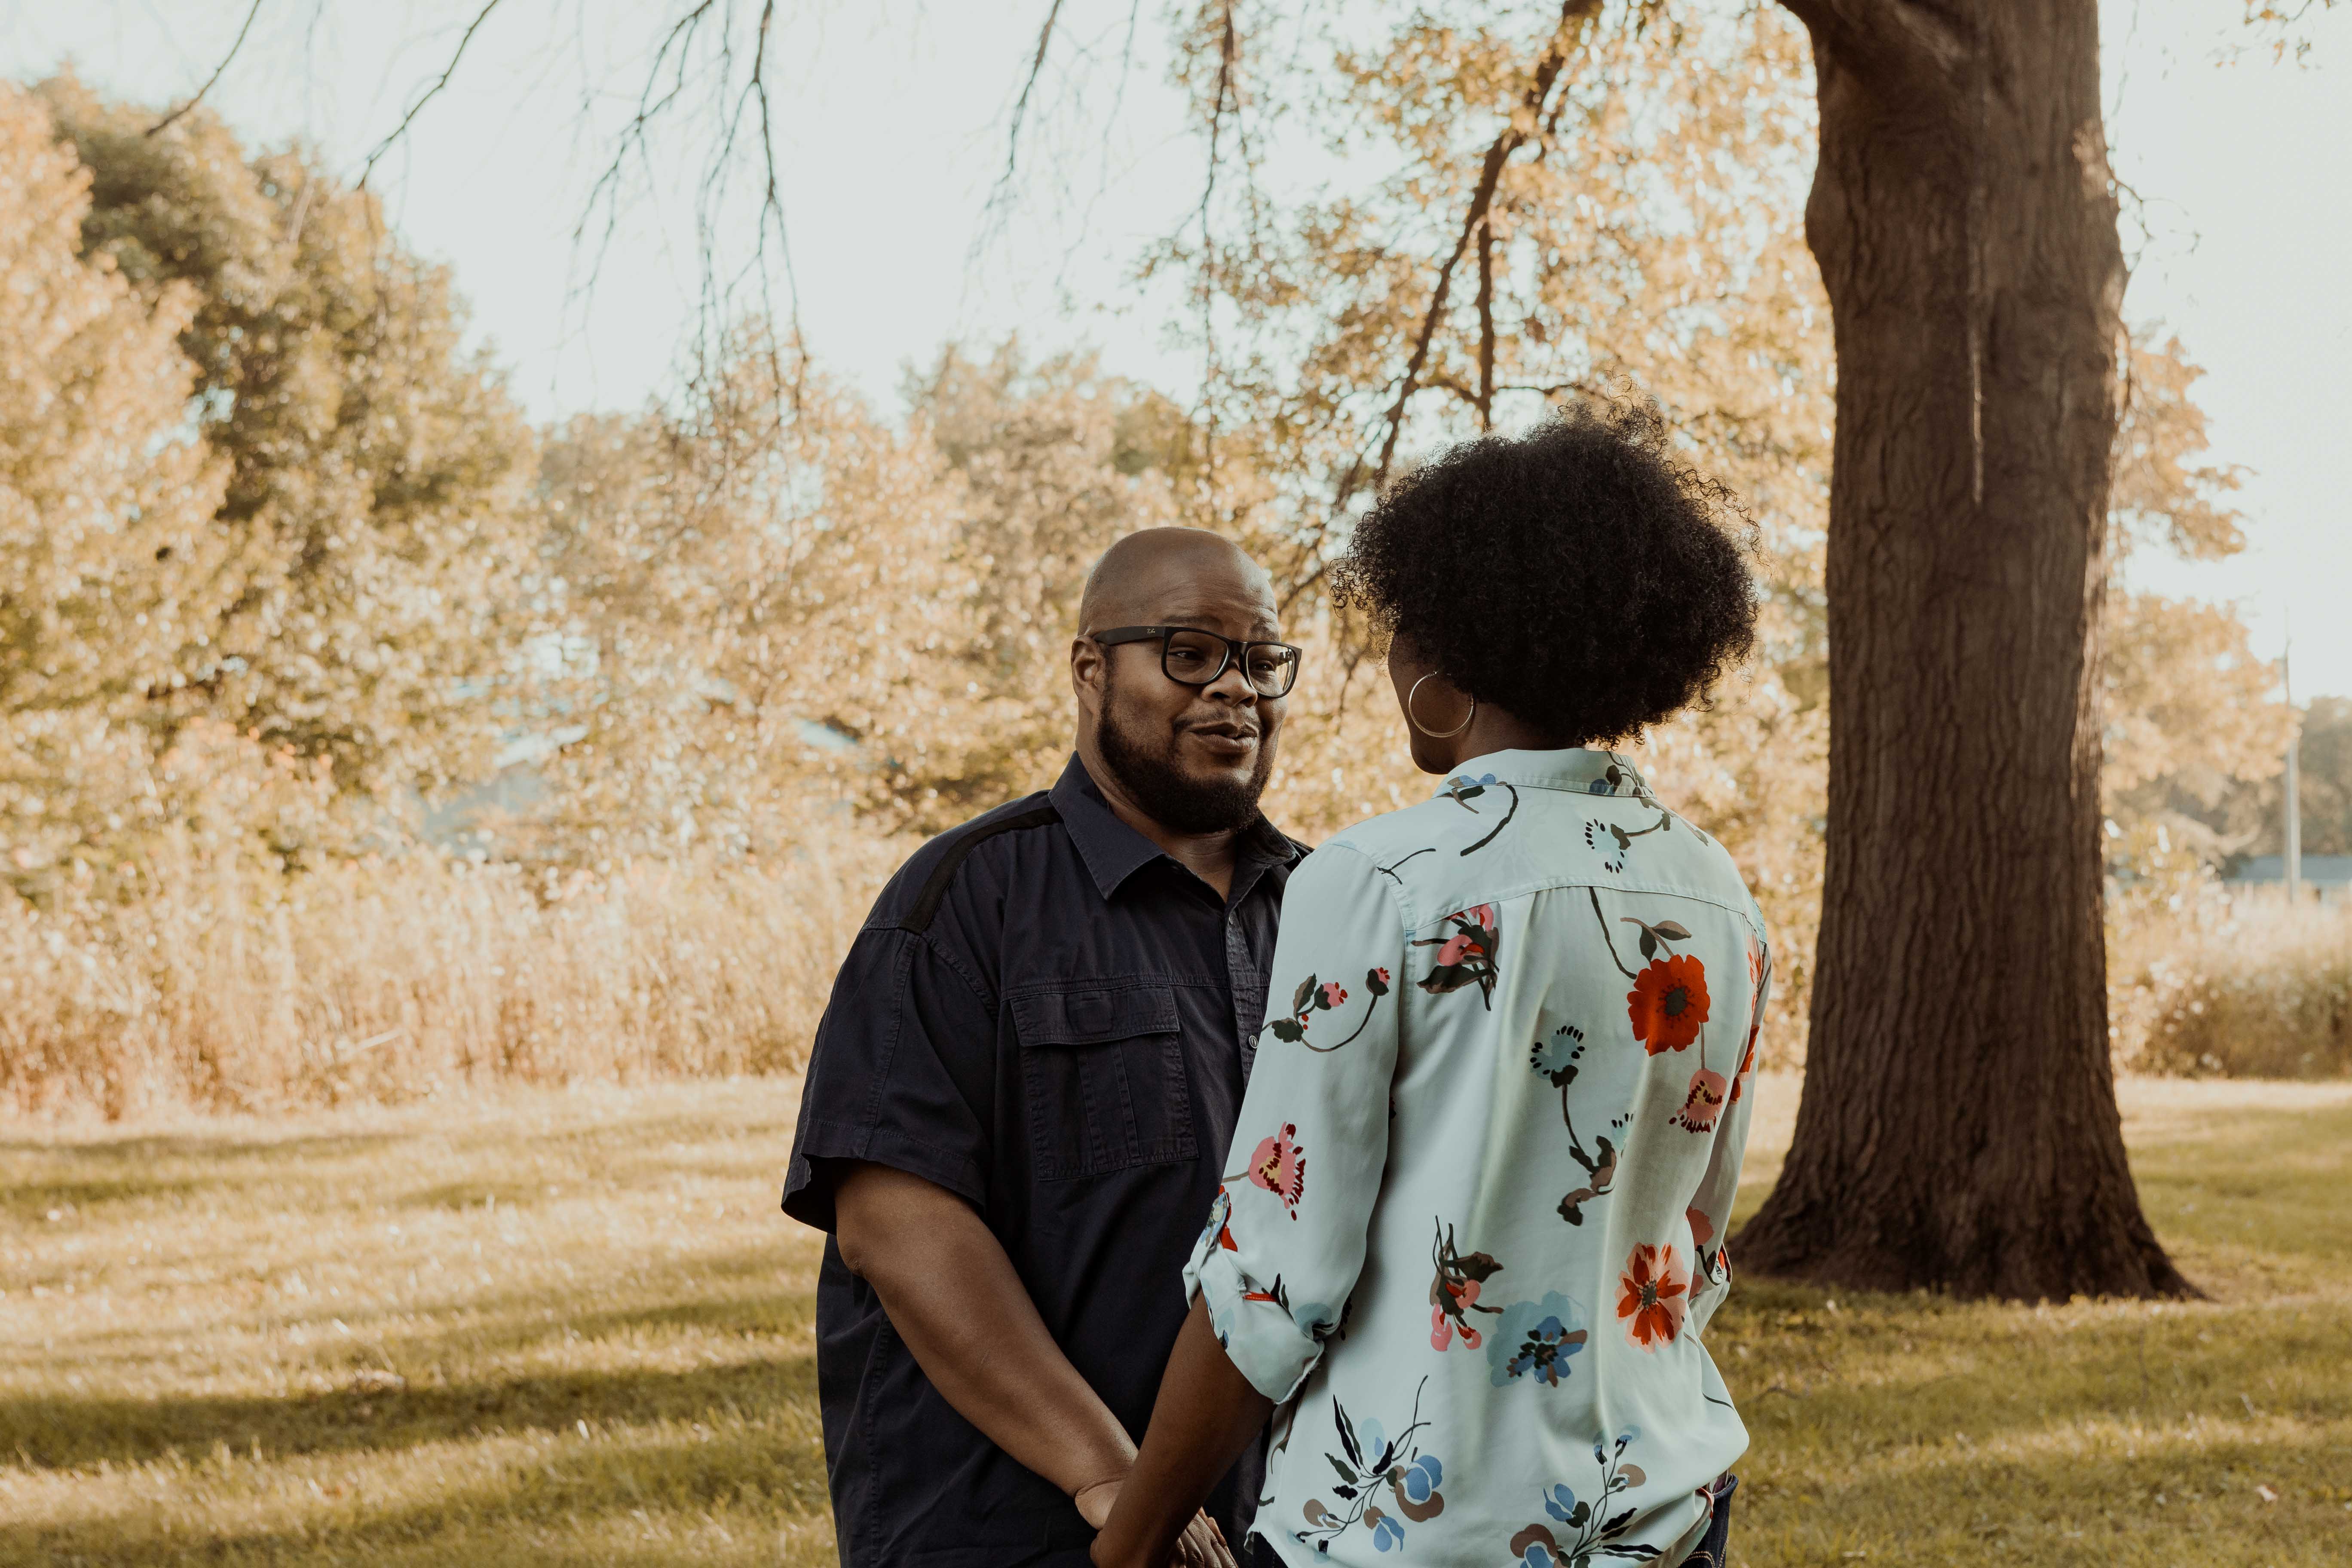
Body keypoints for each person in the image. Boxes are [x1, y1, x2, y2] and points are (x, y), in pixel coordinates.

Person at [1090, 405, 1768, 1568]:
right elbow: (1690, 1249)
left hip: (1414, 1531)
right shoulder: (1716, 893)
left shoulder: (1378, 882)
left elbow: (1273, 1278)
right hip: (1665, 1513)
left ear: (1438, 681)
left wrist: (1129, 1541)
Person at [782, 527, 1311, 1568]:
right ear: (1088, 670)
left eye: (1260, 660)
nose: (1237, 690)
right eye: (1192, 652)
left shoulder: (1336, 913)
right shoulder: (964, 902)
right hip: (1016, 1521)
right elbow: (896, 1223)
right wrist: (1112, 1479)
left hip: (1277, 1525)